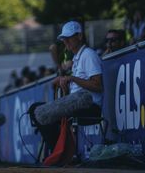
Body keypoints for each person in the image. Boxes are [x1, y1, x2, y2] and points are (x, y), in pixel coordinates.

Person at [29, 21, 103, 152]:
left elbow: (98, 85)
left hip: (90, 107)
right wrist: (65, 87)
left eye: (68, 37)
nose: (65, 41)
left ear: (79, 36)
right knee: (35, 109)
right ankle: (61, 153)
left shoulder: (89, 55)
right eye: (64, 38)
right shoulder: (76, 58)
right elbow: (75, 92)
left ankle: (62, 153)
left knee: (39, 111)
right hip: (78, 103)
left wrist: (72, 78)